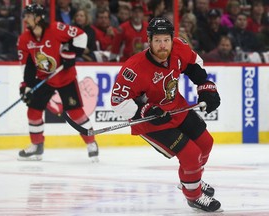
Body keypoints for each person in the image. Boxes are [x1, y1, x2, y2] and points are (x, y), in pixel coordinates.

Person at [110, 17, 221, 212]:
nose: (163, 46)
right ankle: (193, 195)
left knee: (206, 143)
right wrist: (146, 110)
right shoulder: (133, 69)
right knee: (191, 154)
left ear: (172, 39)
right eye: (158, 40)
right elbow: (118, 101)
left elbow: (194, 65)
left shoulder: (179, 48)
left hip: (175, 107)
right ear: (149, 41)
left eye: (166, 40)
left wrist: (206, 87)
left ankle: (190, 181)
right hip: (150, 120)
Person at [16, 3, 99, 162]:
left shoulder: (55, 29)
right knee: (33, 112)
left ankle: (91, 142)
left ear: (38, 17)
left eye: (28, 15)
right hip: (43, 78)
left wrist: (71, 54)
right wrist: (26, 85)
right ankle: (37, 146)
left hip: (65, 77)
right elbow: (26, 65)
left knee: (76, 113)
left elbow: (81, 35)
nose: (25, 18)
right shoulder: (24, 39)